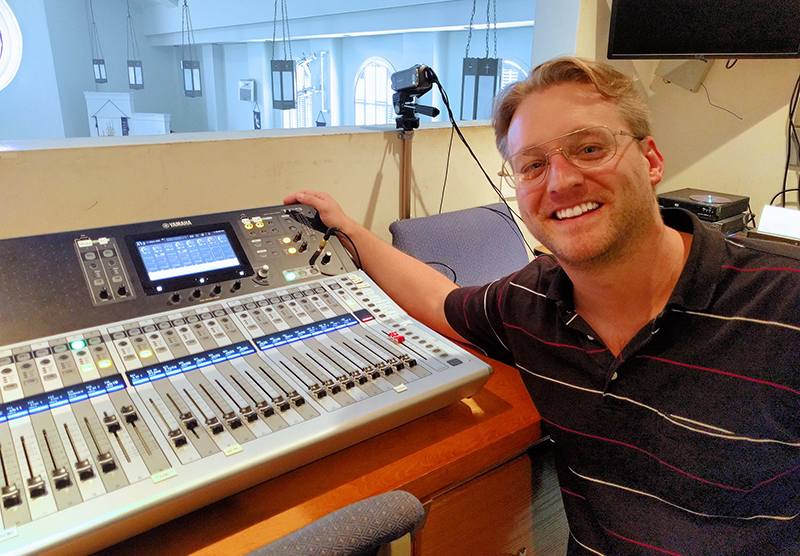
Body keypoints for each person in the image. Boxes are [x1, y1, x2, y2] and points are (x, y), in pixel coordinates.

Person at [285, 56, 800, 555]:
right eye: (532, 165)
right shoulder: (529, 301)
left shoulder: (784, 303)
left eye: (590, 148)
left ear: (652, 161)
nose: (560, 181)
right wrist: (348, 230)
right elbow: (438, 300)